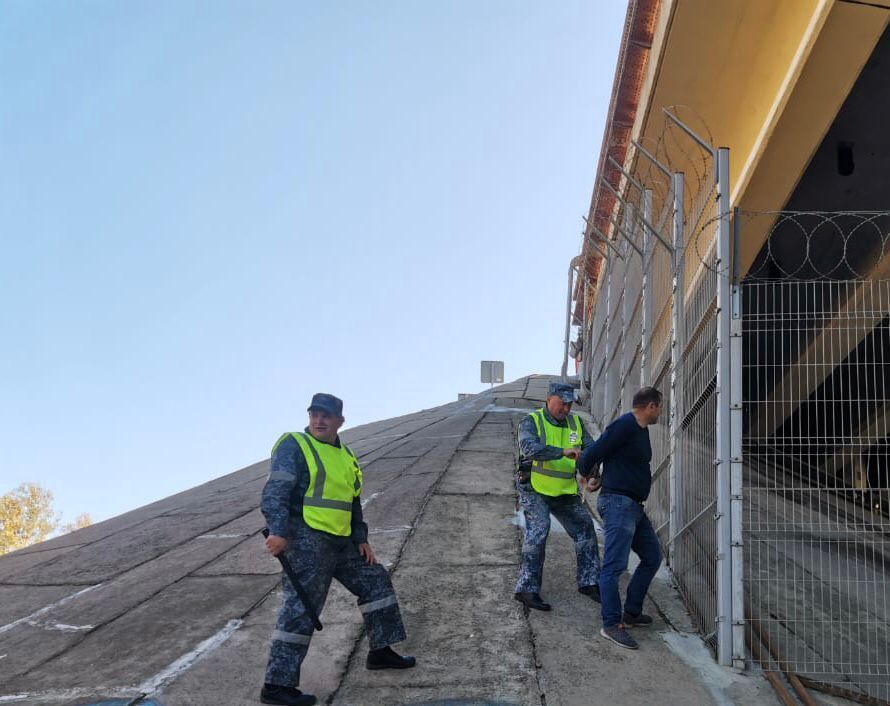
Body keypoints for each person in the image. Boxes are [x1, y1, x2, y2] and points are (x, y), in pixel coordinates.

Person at [260, 393, 415, 706]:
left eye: (326, 416)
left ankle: (380, 651)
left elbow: (352, 501)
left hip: (342, 541)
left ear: (340, 421)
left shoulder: (347, 455)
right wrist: (278, 530)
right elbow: (276, 490)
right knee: (301, 609)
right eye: (314, 414)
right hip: (306, 539)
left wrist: (361, 538)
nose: (319, 420)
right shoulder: (295, 444)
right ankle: (276, 685)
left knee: (375, 580)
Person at [577, 386, 664, 650]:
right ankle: (611, 624)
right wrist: (586, 473)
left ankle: (632, 613)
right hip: (618, 504)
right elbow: (595, 452)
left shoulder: (640, 430)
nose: (661, 412)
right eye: (660, 407)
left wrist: (602, 478)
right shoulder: (625, 424)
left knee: (652, 556)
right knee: (614, 566)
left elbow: (618, 461)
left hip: (633, 506)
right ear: (651, 406)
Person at [514, 381, 602, 611]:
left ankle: (589, 582)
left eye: (569, 405)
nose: (566, 408)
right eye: (562, 403)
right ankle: (526, 589)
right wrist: (562, 452)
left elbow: (591, 451)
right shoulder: (531, 421)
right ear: (548, 399)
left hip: (563, 489)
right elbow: (529, 448)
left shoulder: (576, 423)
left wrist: (592, 474)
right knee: (539, 530)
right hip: (534, 487)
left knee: (585, 528)